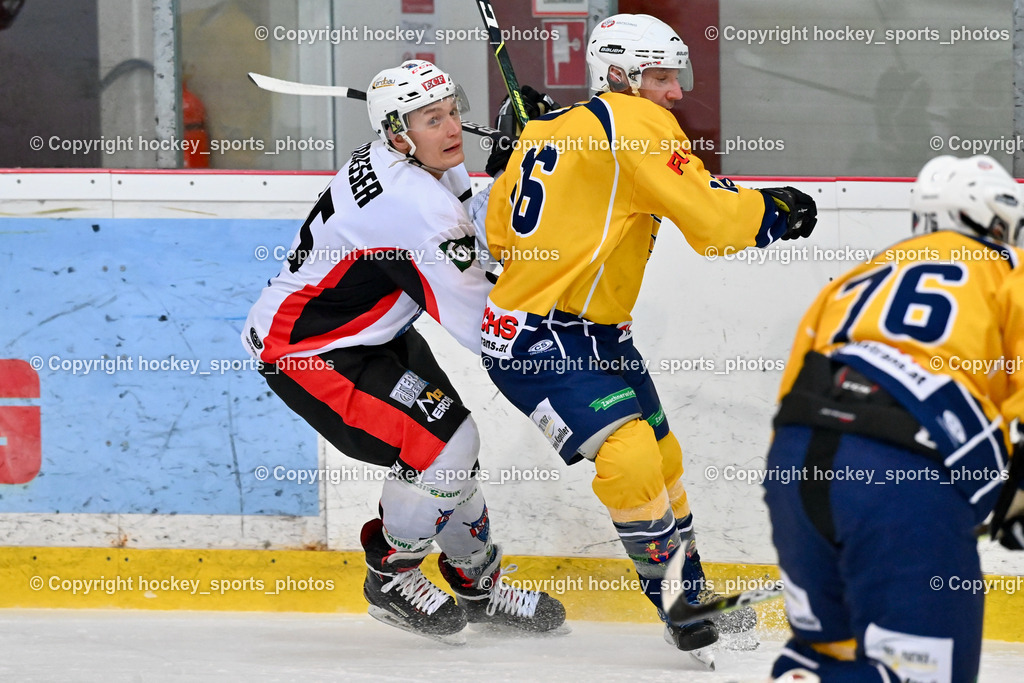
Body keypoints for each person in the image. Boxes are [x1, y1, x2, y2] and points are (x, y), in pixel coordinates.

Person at [480, 13, 817, 656]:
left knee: (663, 460)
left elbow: (499, 235)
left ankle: (692, 597)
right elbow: (713, 222)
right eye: (660, 76)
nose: (675, 91)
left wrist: (518, 150)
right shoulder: (632, 124)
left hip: (597, 336)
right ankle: (678, 603)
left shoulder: (554, 131)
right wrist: (774, 210)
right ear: (617, 76)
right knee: (631, 454)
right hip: (536, 342)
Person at [241, 59, 564, 642]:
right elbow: (483, 325)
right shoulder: (411, 204)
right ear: (395, 132)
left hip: (374, 333)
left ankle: (477, 584)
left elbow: (470, 221)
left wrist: (520, 162)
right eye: (432, 119)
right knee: (447, 447)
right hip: (311, 350)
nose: (452, 131)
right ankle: (391, 572)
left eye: (453, 113)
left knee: (449, 450)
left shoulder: (408, 161)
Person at [763, 155, 1024, 682]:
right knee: (920, 674)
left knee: (828, 654)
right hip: (904, 479)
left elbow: (793, 391)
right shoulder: (1009, 270)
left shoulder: (857, 278)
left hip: (795, 467)